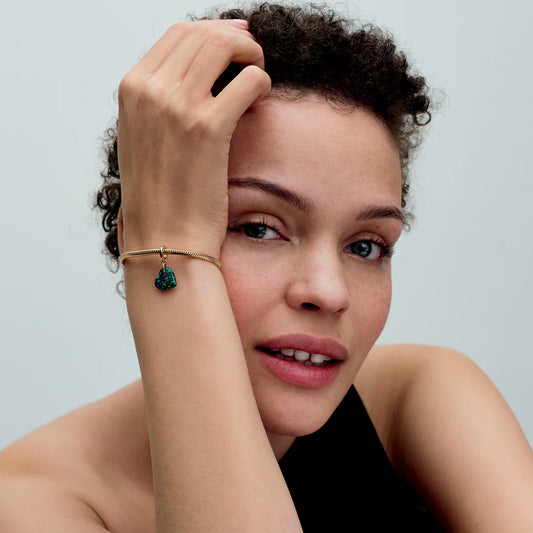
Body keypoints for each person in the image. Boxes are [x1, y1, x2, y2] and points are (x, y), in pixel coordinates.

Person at [1, 3, 533, 531]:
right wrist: (168, 262)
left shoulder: (415, 396)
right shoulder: (30, 503)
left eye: (367, 246)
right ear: (143, 232)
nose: (329, 292)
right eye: (259, 228)